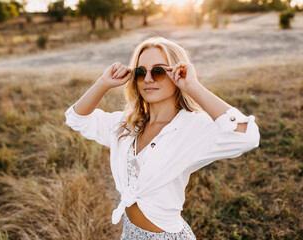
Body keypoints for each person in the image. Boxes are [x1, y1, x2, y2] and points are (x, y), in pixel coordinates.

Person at [65, 36, 260, 239]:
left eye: (158, 71)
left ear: (177, 73)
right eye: (140, 72)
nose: (148, 79)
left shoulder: (192, 126)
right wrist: (103, 83)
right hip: (130, 232)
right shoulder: (128, 124)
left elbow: (247, 137)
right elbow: (77, 119)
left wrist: (193, 86)